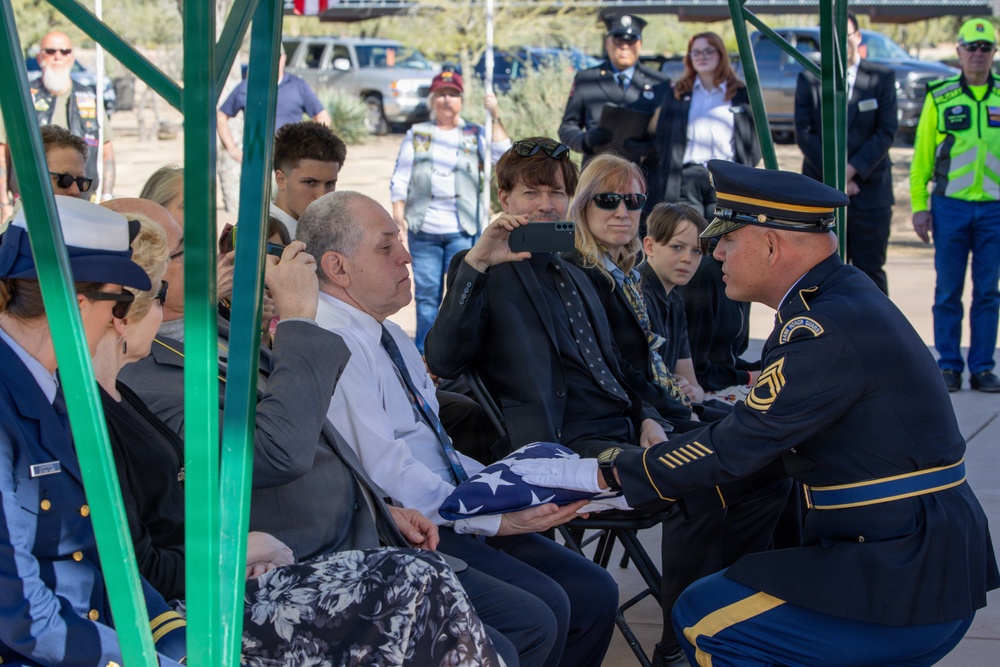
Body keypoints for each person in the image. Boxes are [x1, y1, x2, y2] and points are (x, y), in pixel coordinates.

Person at [514, 159, 1000, 667]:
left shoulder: (820, 330)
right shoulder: (839, 299)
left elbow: (737, 446)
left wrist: (608, 473)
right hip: (919, 559)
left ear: (771, 246)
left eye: (728, 239)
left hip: (903, 577)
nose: (714, 251)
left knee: (702, 618)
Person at [114, 196, 521, 664]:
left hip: (369, 527)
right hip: (299, 557)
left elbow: (330, 438)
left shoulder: (212, 330)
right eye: (189, 249)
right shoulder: (141, 374)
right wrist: (298, 319)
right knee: (515, 636)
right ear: (140, 281)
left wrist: (382, 505)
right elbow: (275, 452)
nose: (218, 258)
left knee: (533, 621)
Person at [298, 189, 620, 667]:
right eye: (387, 247)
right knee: (543, 612)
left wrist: (518, 488)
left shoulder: (383, 332)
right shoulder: (334, 343)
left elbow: (438, 447)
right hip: (410, 527)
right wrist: (494, 518)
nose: (406, 256)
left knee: (595, 590)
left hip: (450, 507)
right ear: (337, 267)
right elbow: (387, 474)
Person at [0, 196, 186, 665]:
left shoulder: (53, 388)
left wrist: (176, 643)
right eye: (120, 301)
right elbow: (24, 614)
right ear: (78, 304)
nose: (121, 319)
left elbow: (102, 558)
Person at [425, 137, 669, 459]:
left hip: (624, 429)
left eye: (556, 193)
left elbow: (612, 366)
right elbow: (444, 361)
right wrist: (477, 264)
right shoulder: (483, 270)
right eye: (531, 192)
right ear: (504, 199)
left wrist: (646, 415)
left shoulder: (577, 274)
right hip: (564, 444)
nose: (546, 204)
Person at [390, 70, 511, 353]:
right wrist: (398, 211)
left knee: (461, 295)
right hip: (425, 230)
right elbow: (401, 176)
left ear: (462, 100)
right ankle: (423, 355)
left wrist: (494, 114)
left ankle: (453, 355)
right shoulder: (419, 134)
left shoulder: (476, 133)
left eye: (453, 94)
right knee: (428, 297)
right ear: (433, 99)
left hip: (462, 229)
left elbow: (504, 154)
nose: (447, 100)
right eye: (442, 94)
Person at [911, 18, 1000, 393]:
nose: (978, 54)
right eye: (971, 47)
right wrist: (919, 205)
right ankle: (949, 365)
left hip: (995, 210)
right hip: (949, 208)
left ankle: (982, 367)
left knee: (987, 291)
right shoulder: (941, 96)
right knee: (948, 290)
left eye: (985, 48)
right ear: (959, 51)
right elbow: (921, 157)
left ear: (993, 53)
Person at [796, 12, 897, 295]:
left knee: (870, 273)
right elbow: (804, 133)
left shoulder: (881, 78)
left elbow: (886, 132)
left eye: (845, 35)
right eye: (830, 38)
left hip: (870, 193)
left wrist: (849, 172)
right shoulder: (809, 79)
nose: (839, 43)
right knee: (820, 273)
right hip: (821, 194)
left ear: (857, 37)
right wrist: (836, 178)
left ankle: (875, 337)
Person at [649, 31, 761, 220]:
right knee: (691, 238)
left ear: (721, 54)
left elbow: (754, 142)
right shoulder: (678, 93)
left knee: (722, 239)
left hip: (727, 179)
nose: (702, 57)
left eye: (708, 51)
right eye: (696, 52)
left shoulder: (740, 93)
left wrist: (744, 172)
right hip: (687, 179)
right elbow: (663, 137)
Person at [0, 30, 115, 214]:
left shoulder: (90, 98)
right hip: (29, 206)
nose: (58, 56)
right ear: (39, 58)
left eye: (65, 51)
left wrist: (106, 196)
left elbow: (107, 152)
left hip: (82, 203)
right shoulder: (21, 99)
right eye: (50, 51)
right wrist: (3, 203)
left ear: (72, 57)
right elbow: (3, 152)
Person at [558, 12, 666, 171]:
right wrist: (585, 140)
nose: (624, 46)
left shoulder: (659, 83)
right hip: (598, 174)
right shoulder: (586, 79)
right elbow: (567, 127)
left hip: (643, 176)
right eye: (618, 40)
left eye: (631, 41)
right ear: (607, 43)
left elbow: (670, 134)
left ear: (640, 44)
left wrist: (649, 148)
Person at [217, 52, 331, 164]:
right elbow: (220, 116)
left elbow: (323, 117)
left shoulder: (298, 86)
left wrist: (308, 145)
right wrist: (232, 149)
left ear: (284, 58)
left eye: (277, 57)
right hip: (256, 159)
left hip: (290, 159)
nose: (273, 61)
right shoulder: (247, 86)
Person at [269, 121, 346, 238]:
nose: (321, 195)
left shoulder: (329, 229)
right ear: (281, 180)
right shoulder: (260, 237)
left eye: (330, 184)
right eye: (310, 182)